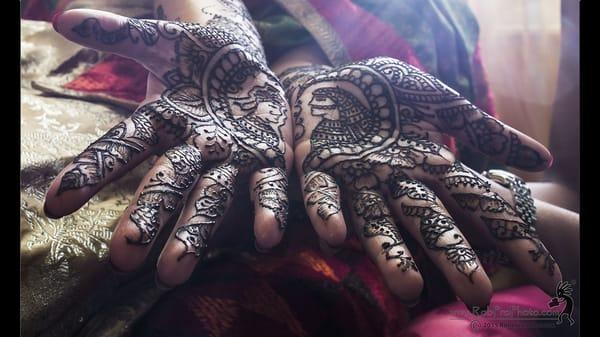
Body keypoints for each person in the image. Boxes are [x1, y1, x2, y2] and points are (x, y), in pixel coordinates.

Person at [22, 0, 579, 336]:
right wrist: (225, 40)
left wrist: (298, 86)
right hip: (154, 64)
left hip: (367, 104)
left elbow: (316, 28)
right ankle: (514, 210)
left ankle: (509, 209)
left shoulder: (429, 15)